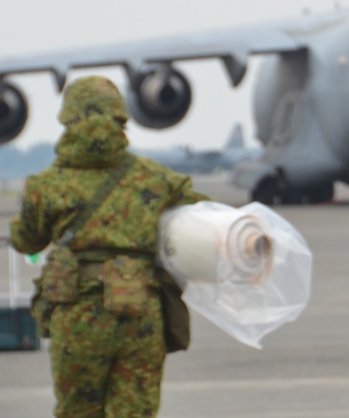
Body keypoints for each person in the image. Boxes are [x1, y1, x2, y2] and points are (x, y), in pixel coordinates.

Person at [8, 76, 210, 417]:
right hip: (139, 314)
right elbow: (203, 219)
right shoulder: (155, 179)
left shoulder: (47, 184)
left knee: (77, 412)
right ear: (120, 119)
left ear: (68, 121)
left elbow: (26, 240)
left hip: (76, 318)